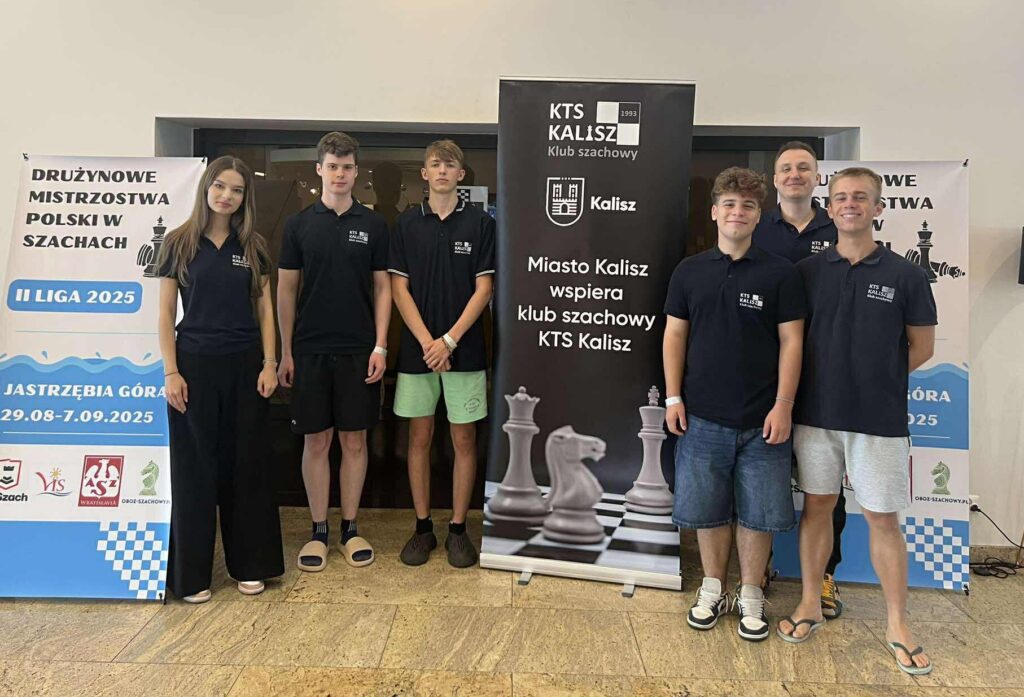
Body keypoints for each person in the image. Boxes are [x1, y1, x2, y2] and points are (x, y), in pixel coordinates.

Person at [778, 167, 936, 677]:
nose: (850, 204)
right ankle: (809, 602)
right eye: (841, 197)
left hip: (877, 420)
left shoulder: (907, 275)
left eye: (861, 197)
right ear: (829, 208)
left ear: (878, 208)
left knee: (882, 519)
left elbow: (922, 347)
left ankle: (897, 624)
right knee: (817, 509)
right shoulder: (806, 271)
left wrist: (874, 379)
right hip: (815, 415)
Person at [663, 167, 806, 641]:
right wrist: (673, 396)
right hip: (701, 416)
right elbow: (674, 335)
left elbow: (792, 342)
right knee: (707, 511)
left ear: (758, 215)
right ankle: (712, 588)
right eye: (729, 204)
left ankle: (750, 593)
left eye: (747, 206)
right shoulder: (689, 272)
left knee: (758, 514)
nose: (737, 212)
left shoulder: (781, 274)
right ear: (714, 212)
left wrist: (784, 404)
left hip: (764, 419)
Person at [157, 155, 284, 603]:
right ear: (206, 187)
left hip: (245, 366)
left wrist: (270, 362)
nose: (226, 196)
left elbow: (265, 309)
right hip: (192, 366)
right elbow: (165, 313)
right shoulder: (177, 243)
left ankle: (251, 565)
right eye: (220, 186)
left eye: (236, 190)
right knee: (193, 471)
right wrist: (171, 371)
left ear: (245, 198)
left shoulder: (253, 246)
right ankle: (191, 577)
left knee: (246, 467)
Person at [277, 132, 391, 572]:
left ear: (356, 172)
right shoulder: (298, 225)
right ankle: (319, 531)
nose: (339, 174)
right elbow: (286, 290)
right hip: (309, 350)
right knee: (316, 440)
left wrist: (380, 344)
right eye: (332, 166)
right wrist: (286, 351)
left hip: (359, 350)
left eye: (346, 167)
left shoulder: (374, 225)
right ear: (319, 169)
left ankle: (350, 528)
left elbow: (382, 288)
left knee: (354, 440)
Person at [389, 139, 495, 568]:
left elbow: (484, 289)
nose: (443, 171)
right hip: (418, 351)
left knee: (464, 439)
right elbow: (399, 289)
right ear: (425, 173)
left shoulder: (480, 224)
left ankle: (457, 529)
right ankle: (422, 528)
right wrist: (428, 344)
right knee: (419, 437)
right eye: (436, 164)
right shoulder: (406, 224)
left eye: (450, 165)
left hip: (464, 350)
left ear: (461, 174)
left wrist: (448, 342)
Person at [752, 141, 845, 619]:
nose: (794, 174)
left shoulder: (839, 227)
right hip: (763, 373)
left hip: (825, 374)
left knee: (825, 488)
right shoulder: (757, 227)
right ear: (775, 180)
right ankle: (760, 566)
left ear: (817, 177)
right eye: (785, 168)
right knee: (763, 476)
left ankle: (825, 574)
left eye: (803, 168)